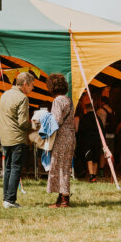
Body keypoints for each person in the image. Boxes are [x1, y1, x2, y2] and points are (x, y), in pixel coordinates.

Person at [0, 72, 34, 207]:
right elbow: (23, 122)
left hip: (5, 137)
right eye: (31, 86)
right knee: (15, 168)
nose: (32, 89)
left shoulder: (4, 95)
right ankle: (10, 200)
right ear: (25, 84)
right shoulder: (22, 98)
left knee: (7, 168)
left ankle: (6, 198)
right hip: (17, 137)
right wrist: (34, 126)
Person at [45, 73, 75, 208]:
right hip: (70, 135)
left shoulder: (57, 101)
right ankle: (61, 197)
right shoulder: (68, 100)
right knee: (65, 166)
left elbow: (56, 120)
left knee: (60, 167)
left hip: (61, 137)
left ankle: (64, 200)